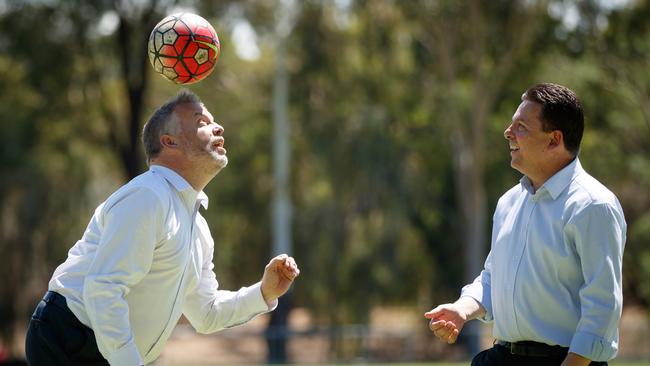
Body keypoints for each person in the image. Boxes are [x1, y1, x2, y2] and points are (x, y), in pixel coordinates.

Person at [25, 90, 300, 366]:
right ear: (169, 141)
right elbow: (104, 289)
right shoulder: (147, 196)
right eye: (201, 122)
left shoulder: (199, 230)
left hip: (106, 350)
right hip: (67, 342)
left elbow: (206, 314)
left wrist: (264, 292)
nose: (218, 127)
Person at [424, 83, 626, 366]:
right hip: (500, 358)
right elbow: (494, 277)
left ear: (554, 140)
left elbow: (603, 304)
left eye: (521, 127)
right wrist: (461, 309)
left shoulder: (594, 205)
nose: (508, 132)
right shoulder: (508, 202)